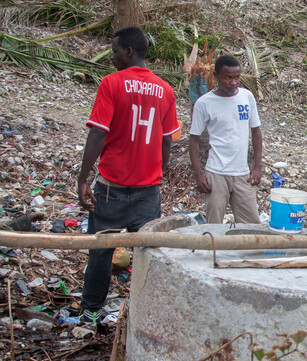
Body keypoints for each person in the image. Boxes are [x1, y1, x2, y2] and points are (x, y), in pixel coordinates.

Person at [77, 26, 179, 324]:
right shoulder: (165, 89)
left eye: (115, 51)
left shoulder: (111, 83)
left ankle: (92, 310)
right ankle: (147, 311)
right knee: (149, 253)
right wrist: (160, 170)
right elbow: (167, 139)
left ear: (129, 52)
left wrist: (83, 178)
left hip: (111, 188)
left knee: (100, 252)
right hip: (148, 190)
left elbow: (98, 132)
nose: (112, 57)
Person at [189, 55, 263, 224]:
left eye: (237, 77)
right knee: (214, 227)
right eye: (228, 78)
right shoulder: (204, 103)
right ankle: (214, 252)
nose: (233, 82)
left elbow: (256, 131)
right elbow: (193, 139)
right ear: (215, 76)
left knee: (252, 226)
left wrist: (258, 166)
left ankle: (245, 250)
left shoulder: (247, 97)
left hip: (242, 174)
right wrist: (198, 174)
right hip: (216, 174)